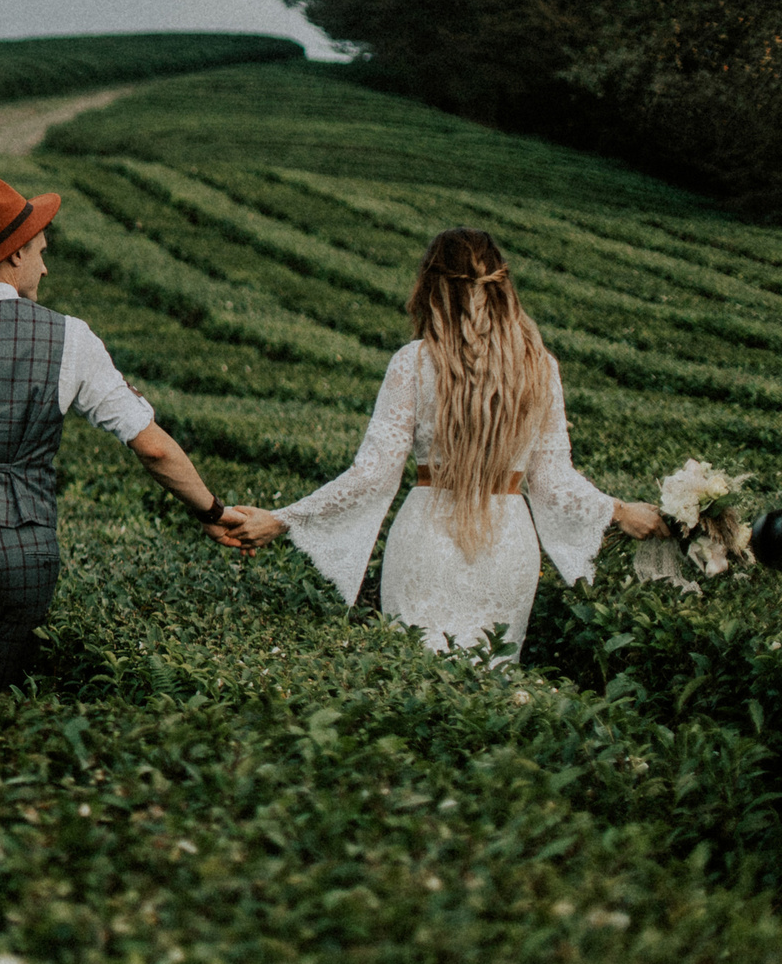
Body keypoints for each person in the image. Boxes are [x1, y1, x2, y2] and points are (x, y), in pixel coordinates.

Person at [222, 228, 666, 660]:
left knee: (416, 674)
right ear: (502, 285)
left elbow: (372, 475)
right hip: (508, 545)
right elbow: (554, 481)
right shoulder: (539, 367)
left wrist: (283, 519)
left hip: (427, 539)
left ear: (430, 287)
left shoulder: (413, 363)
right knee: (490, 683)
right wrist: (620, 510)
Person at [0, 176, 235, 692]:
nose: (44, 264)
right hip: (28, 551)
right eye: (39, 251)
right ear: (13, 255)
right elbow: (150, 446)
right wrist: (212, 512)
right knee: (10, 700)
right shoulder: (71, 337)